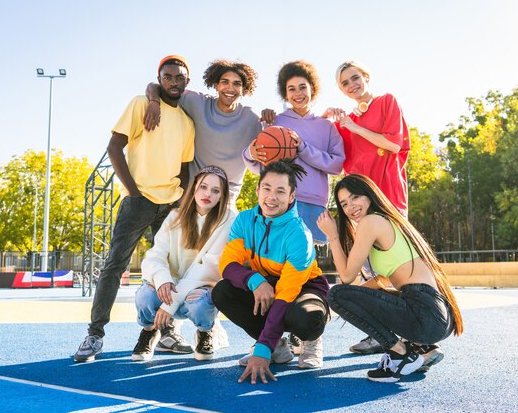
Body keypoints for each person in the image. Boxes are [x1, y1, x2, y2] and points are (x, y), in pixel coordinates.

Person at [74, 55, 195, 363]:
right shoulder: (142, 104)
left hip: (169, 204)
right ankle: (95, 334)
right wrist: (132, 190)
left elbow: (184, 169)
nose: (173, 82)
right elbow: (115, 147)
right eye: (167, 77)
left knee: (169, 271)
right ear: (160, 78)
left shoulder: (186, 123)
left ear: (186, 82)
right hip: (139, 201)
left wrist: (180, 198)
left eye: (179, 77)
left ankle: (166, 331)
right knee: (115, 265)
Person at [317, 174, 463, 383]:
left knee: (336, 294)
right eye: (344, 204)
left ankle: (400, 353)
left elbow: (347, 277)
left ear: (369, 195)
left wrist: (332, 236)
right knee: (344, 296)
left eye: (355, 197)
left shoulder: (371, 222)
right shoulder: (389, 220)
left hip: (423, 312)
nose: (351, 207)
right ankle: (422, 348)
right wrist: (355, 300)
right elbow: (381, 282)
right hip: (435, 315)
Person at [212, 159, 330, 384]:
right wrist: (255, 280)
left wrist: (261, 351)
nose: (271, 197)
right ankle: (278, 347)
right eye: (266, 188)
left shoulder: (299, 234)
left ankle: (310, 341)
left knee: (307, 319)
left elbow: (286, 293)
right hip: (267, 284)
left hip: (303, 288)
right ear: (258, 190)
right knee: (222, 291)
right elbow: (227, 264)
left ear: (291, 197)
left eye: (280, 191)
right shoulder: (245, 220)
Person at [324, 60, 411, 355]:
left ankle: (410, 329)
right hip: (360, 207)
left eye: (355, 78)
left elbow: (394, 146)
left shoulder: (387, 102)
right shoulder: (345, 123)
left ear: (366, 77)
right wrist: (328, 118)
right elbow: (333, 157)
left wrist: (354, 127)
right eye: (345, 83)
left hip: (389, 199)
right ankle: (380, 334)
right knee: (368, 273)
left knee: (396, 269)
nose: (352, 85)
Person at [132, 166, 235, 362]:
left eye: (215, 190)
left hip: (198, 288)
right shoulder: (174, 217)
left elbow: (207, 268)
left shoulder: (228, 220)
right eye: (203, 187)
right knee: (145, 295)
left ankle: (205, 331)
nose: (208, 194)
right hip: (170, 287)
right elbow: (155, 255)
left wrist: (170, 306)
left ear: (222, 196)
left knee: (202, 303)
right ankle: (149, 331)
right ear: (194, 187)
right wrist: (162, 280)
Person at [243, 60, 345, 243]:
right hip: (280, 201)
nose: (298, 94)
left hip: (315, 203)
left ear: (312, 89)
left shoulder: (326, 126)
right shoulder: (274, 122)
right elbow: (261, 166)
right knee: (276, 259)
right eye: (291, 89)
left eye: (302, 87)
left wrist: (303, 148)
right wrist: (249, 154)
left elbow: (337, 165)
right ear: (285, 93)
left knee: (311, 263)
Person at [144, 59, 262, 203]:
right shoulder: (198, 103)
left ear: (244, 88)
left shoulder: (252, 119)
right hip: (193, 195)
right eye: (225, 82)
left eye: (237, 84)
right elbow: (156, 86)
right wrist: (154, 101)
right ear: (216, 85)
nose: (230, 88)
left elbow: (272, 147)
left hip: (226, 199)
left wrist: (270, 118)